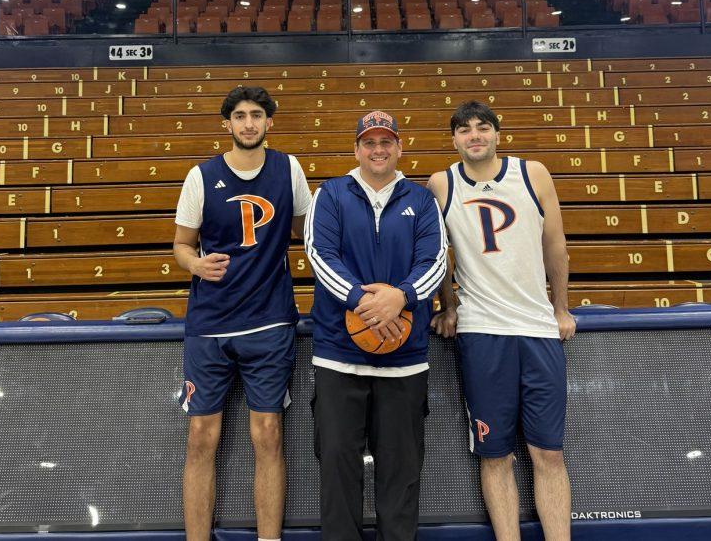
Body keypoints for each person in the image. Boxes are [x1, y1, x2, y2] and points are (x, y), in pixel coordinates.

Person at [428, 100, 576, 541]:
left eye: (482, 127)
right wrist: (448, 306)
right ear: (453, 139)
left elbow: (556, 244)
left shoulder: (532, 174)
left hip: (536, 329)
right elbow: (438, 256)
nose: (474, 136)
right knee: (495, 455)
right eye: (465, 130)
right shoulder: (441, 184)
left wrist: (561, 307)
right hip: (481, 330)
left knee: (548, 453)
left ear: (497, 133)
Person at [173, 86, 312, 541]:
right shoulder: (201, 176)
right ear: (227, 123)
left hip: (270, 320)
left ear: (270, 121)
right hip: (210, 323)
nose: (248, 123)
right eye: (239, 115)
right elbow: (181, 244)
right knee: (201, 438)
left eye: (256, 115)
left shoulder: (288, 168)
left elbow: (307, 232)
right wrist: (195, 264)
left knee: (268, 433)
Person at [304, 110, 447, 540]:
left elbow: (435, 262)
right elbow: (318, 254)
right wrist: (366, 304)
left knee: (401, 477)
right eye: (370, 142)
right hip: (339, 360)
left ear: (399, 148)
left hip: (404, 362)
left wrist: (400, 297)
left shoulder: (421, 200)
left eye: (386, 142)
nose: (378, 149)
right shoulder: (329, 195)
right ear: (357, 149)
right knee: (338, 474)